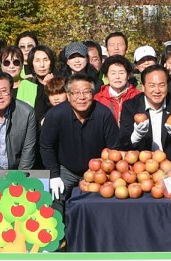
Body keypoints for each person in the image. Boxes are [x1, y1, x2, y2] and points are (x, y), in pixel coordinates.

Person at [39, 73, 119, 208]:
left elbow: (114, 147)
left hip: (97, 170)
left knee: (104, 201)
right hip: (65, 169)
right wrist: (53, 175)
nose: (81, 97)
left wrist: (106, 172)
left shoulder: (103, 114)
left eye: (86, 92)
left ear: (93, 94)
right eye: (76, 93)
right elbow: (46, 145)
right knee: (54, 198)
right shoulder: (56, 114)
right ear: (68, 96)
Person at [118, 64, 171, 161]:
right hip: (140, 165)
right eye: (152, 85)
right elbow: (123, 142)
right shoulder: (131, 106)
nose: (157, 90)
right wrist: (136, 136)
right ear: (143, 87)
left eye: (161, 85)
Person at [94, 55, 140, 123]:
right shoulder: (98, 99)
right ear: (106, 76)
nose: (117, 77)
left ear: (128, 76)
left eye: (121, 73)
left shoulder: (137, 97)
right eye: (113, 73)